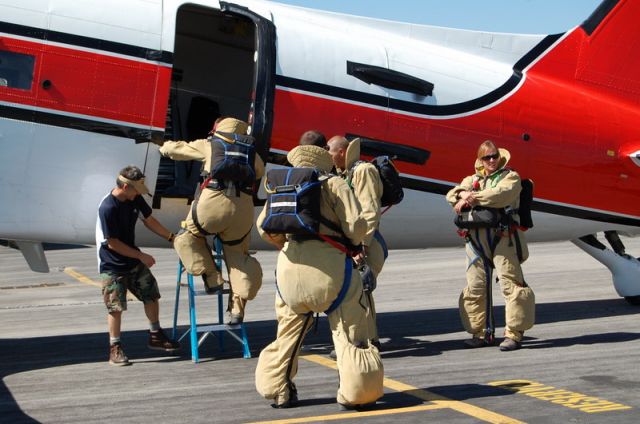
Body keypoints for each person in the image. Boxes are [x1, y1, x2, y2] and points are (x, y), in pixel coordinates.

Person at [255, 142, 383, 410]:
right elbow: (357, 227)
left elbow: (263, 228)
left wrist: (285, 243)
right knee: (349, 333)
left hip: (288, 267)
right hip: (330, 268)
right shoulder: (333, 183)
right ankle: (356, 394)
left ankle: (277, 391)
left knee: (287, 334)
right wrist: (353, 243)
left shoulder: (282, 186)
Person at [159, 117, 264, 325]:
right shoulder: (251, 152)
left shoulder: (210, 144)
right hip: (242, 210)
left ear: (216, 129)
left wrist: (162, 147)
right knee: (237, 256)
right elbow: (259, 171)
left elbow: (177, 150)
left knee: (186, 237)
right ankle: (237, 312)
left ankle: (212, 277)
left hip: (212, 205)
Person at [446, 140, 535, 351]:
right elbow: (450, 195)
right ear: (480, 160)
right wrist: (462, 194)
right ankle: (481, 333)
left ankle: (514, 334)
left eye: (494, 156)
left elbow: (501, 196)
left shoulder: (510, 177)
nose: (492, 160)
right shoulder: (471, 180)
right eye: (487, 157)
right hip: (475, 241)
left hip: (503, 238)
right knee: (475, 288)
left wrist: (469, 198)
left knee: (511, 286)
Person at [96, 165, 180, 366]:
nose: (138, 195)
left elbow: (149, 220)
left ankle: (155, 335)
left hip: (132, 259)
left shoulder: (134, 198)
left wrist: (171, 237)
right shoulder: (108, 207)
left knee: (151, 293)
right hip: (112, 264)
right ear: (125, 187)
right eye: (136, 190)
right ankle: (114, 348)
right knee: (115, 307)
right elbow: (113, 243)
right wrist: (141, 255)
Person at [326, 136, 386, 347]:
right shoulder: (345, 174)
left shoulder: (363, 171)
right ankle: (367, 339)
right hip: (355, 244)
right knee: (358, 291)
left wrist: (362, 245)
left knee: (360, 290)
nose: (328, 156)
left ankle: (366, 341)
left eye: (330, 152)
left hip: (366, 243)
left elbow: (370, 210)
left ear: (342, 152)